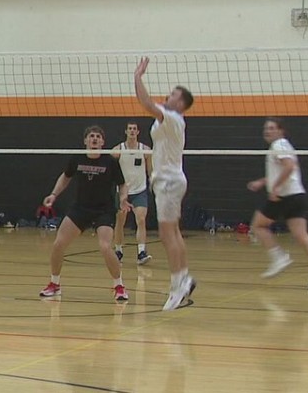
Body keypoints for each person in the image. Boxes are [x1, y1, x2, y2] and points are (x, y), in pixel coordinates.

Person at [39, 126, 132, 301]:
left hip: (103, 210)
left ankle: (119, 286)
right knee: (59, 244)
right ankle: (54, 284)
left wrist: (123, 198)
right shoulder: (77, 158)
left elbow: (122, 184)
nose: (94, 139)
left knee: (105, 247)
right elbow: (65, 177)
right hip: (80, 208)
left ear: (103, 142)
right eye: (91, 136)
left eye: (98, 137)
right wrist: (53, 195)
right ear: (85, 141)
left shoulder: (110, 161)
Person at [134, 56, 196, 311]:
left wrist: (138, 77)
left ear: (180, 102)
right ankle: (184, 278)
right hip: (167, 180)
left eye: (172, 94)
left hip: (169, 181)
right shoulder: (170, 120)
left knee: (166, 234)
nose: (168, 96)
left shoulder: (171, 117)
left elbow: (146, 103)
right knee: (174, 233)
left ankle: (177, 287)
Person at [247, 117, 308, 290]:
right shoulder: (285, 145)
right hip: (297, 195)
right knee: (302, 236)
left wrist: (275, 188)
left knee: (257, 226)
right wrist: (263, 182)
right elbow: (284, 169)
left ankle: (279, 257)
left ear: (281, 131)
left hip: (284, 197)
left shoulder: (278, 145)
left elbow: (288, 167)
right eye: (266, 128)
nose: (267, 131)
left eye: (272, 128)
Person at [112, 122, 152, 265]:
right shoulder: (118, 150)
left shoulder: (145, 150)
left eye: (134, 129)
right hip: (123, 192)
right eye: (130, 129)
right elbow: (110, 168)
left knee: (141, 220)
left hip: (139, 191)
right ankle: (118, 251)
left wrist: (153, 182)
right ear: (126, 131)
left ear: (138, 132)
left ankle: (141, 252)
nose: (132, 131)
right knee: (120, 222)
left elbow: (150, 171)